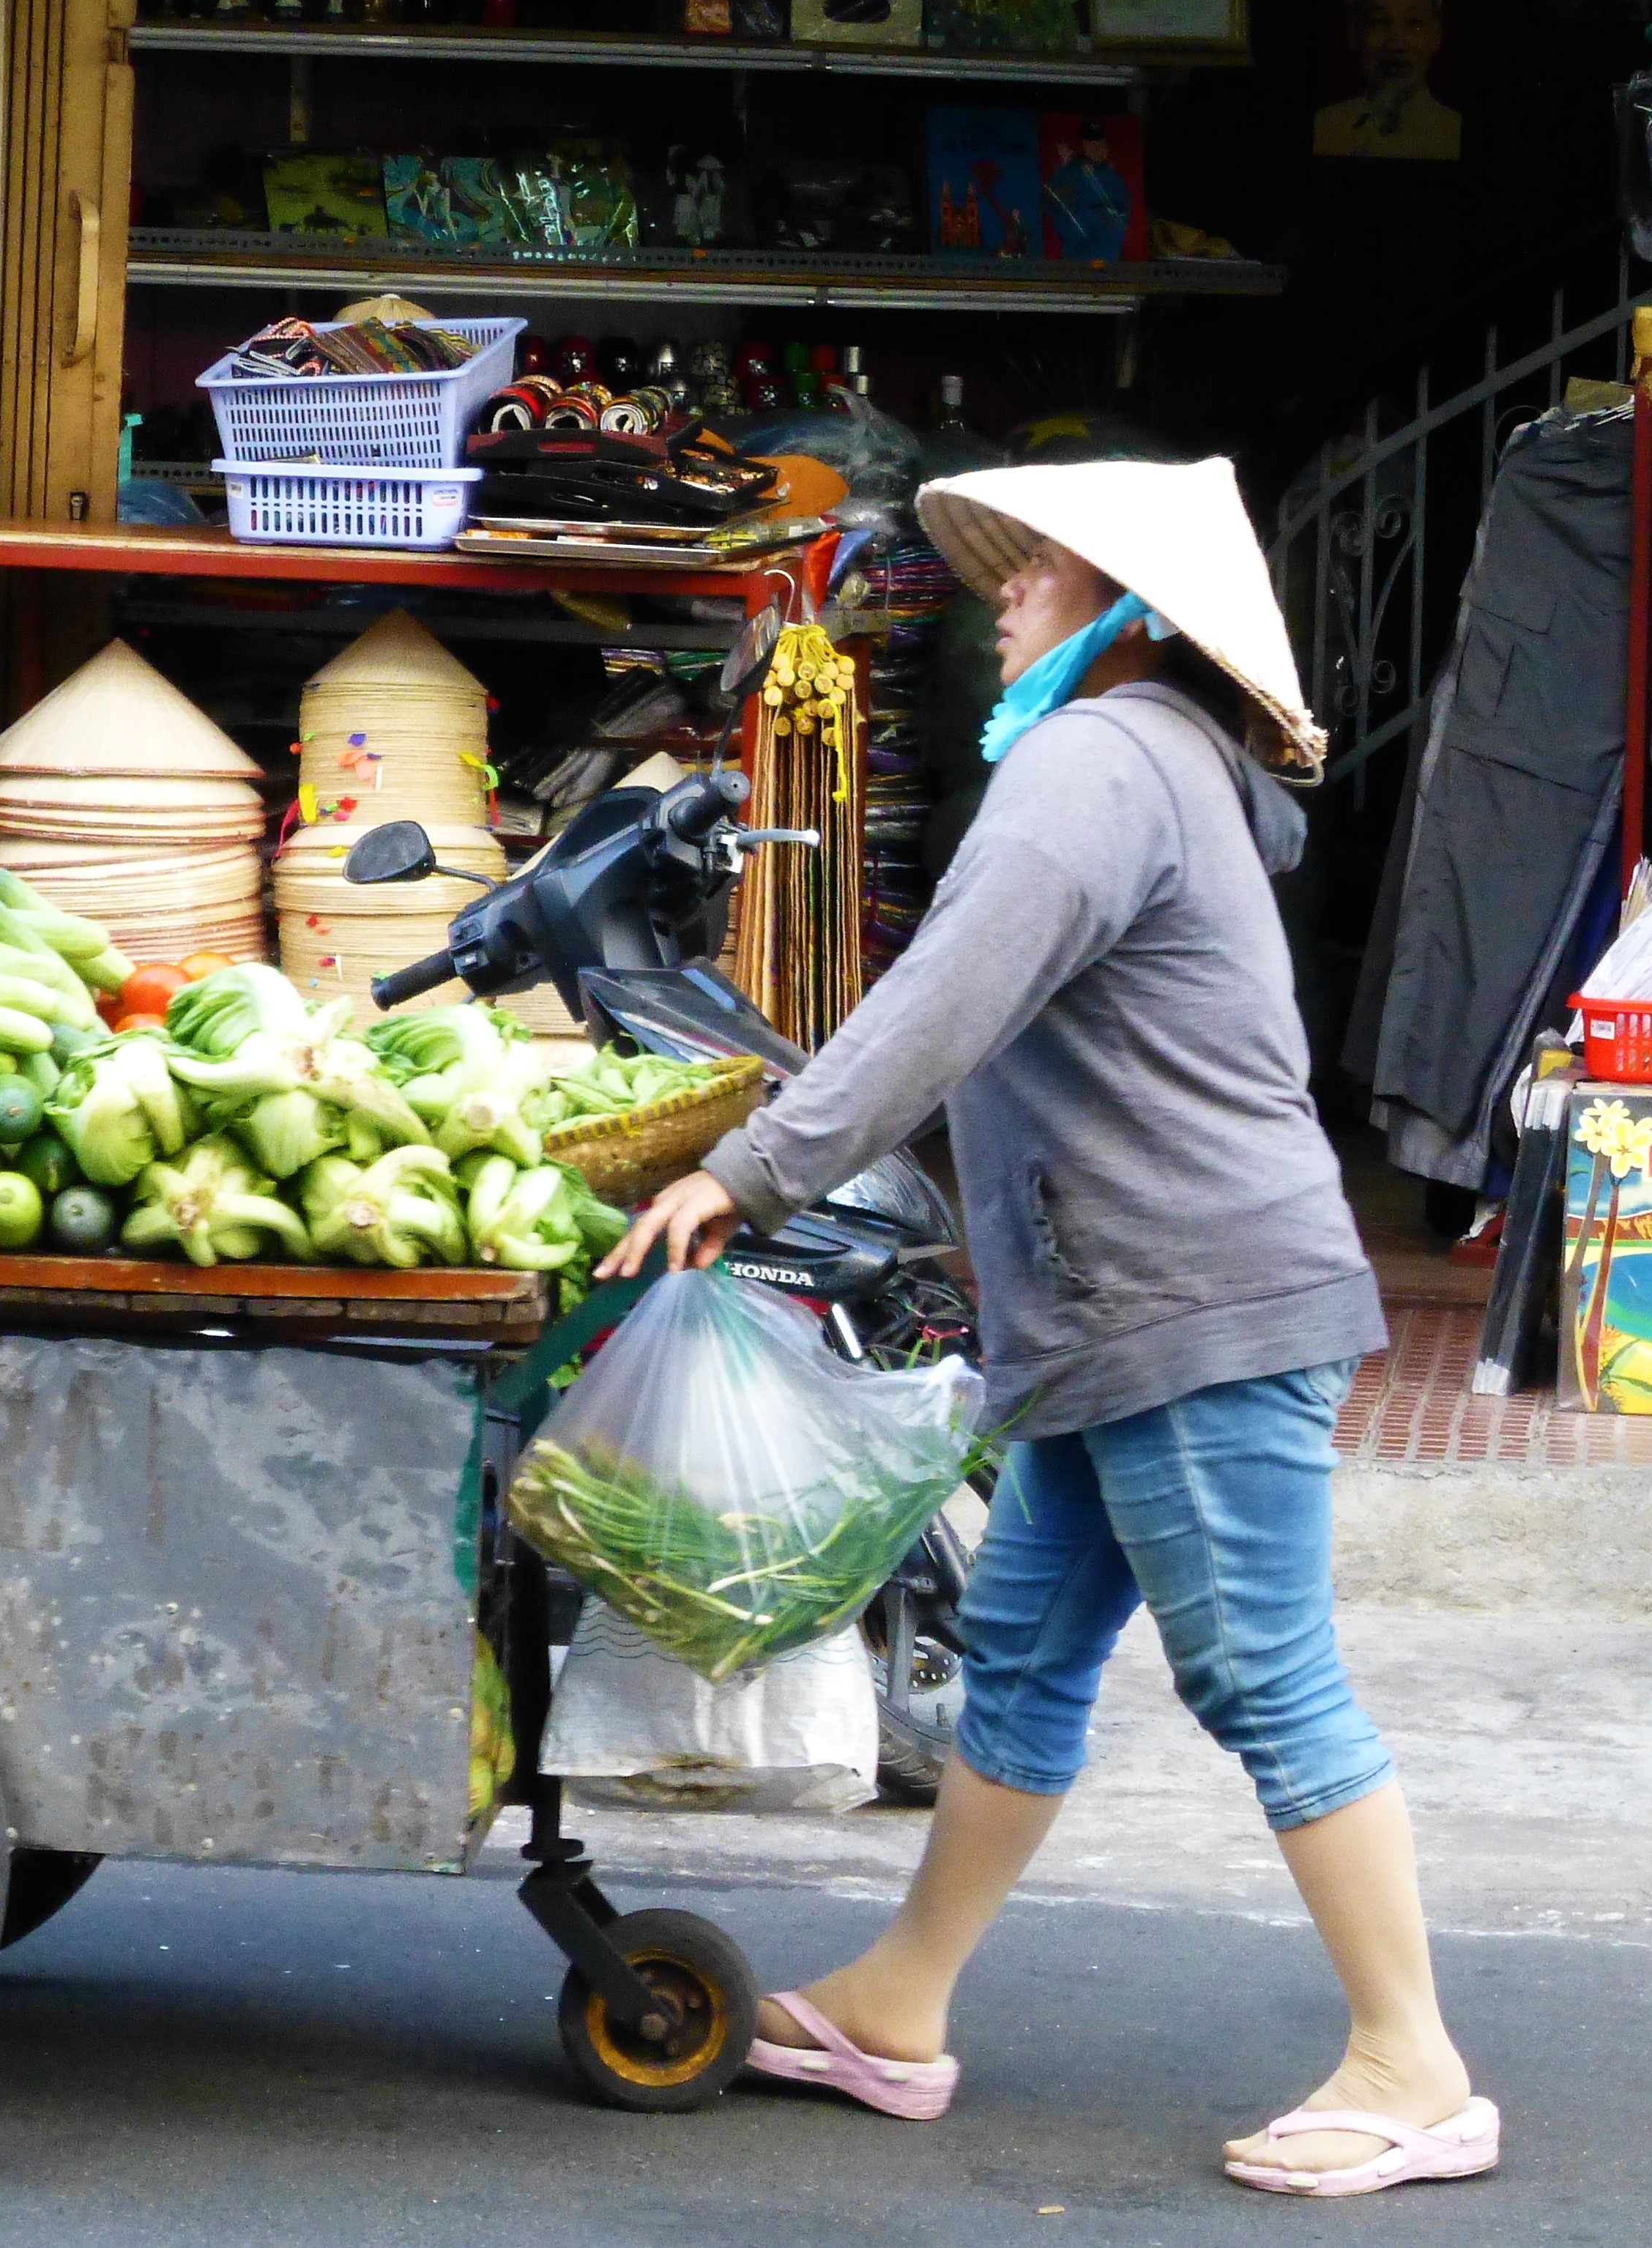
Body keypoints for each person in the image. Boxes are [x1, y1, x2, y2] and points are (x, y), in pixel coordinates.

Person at [595, 457, 1496, 2198]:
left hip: (1194, 1303)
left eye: (1045, 570)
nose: (1004, 592)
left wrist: (753, 1167)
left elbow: (943, 997)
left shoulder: (1100, 759)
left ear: (1131, 610)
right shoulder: (1142, 758)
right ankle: (898, 2001)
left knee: (1261, 1675)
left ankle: (1414, 2063)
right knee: (1020, 1651)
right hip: (1114, 1310)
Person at [1311, 0, 1462, 161]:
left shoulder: (1455, 137)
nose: (1396, 45)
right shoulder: (1324, 131)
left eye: (1414, 22)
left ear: (1436, 35)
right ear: (1354, 34)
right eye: (1379, 22)